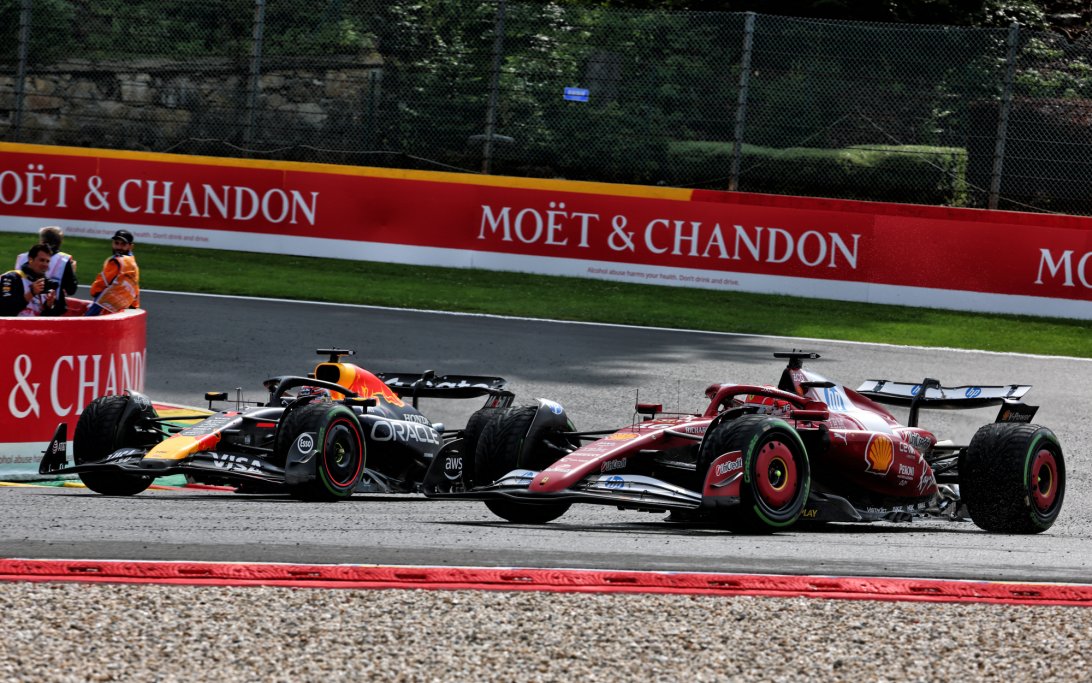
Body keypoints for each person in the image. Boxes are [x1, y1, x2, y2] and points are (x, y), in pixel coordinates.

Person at [15, 225, 78, 315]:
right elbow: (71, 290)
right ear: (60, 242)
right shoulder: (64, 260)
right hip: (49, 311)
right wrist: (72, 271)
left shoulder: (21, 257)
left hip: (22, 308)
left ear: (41, 240)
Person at [86, 229, 140, 316]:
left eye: (123, 244)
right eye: (116, 243)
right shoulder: (133, 263)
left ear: (131, 246)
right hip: (121, 308)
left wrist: (93, 292)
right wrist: (134, 306)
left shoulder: (117, 261)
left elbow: (101, 283)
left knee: (84, 325)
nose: (118, 247)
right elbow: (135, 287)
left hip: (103, 306)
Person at [0, 244, 61, 316]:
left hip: (34, 327)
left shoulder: (45, 284)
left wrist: (48, 306)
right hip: (11, 327)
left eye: (47, 261)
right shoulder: (12, 278)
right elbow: (4, 311)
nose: (45, 264)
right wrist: (31, 293)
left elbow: (43, 321)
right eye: (42, 260)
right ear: (30, 260)